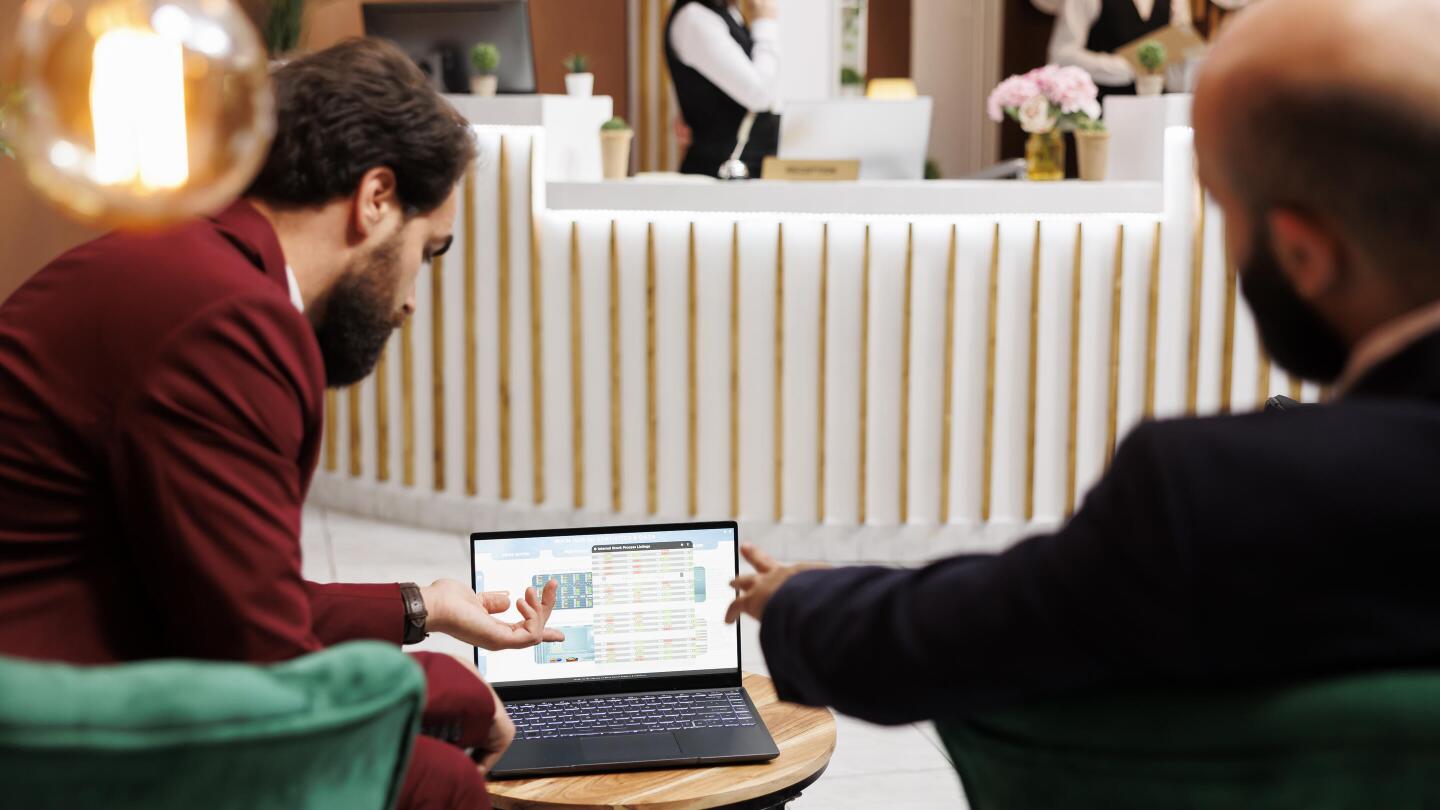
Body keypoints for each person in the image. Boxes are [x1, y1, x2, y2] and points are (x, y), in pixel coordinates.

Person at [729, 0, 1440, 726]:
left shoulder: (1220, 493)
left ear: (1303, 253)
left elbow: (956, 637)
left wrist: (798, 600)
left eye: (1228, 212)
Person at [0, 39, 561, 809]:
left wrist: (421, 606)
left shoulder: (180, 262)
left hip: (69, 674)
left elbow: (227, 592)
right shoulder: (234, 320)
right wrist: (447, 689)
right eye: (427, 253)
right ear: (375, 198)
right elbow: (261, 661)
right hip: (50, 732)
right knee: (444, 784)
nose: (411, 301)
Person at [665, 0, 781, 177]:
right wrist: (765, 23)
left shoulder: (727, 12)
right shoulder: (694, 17)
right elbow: (760, 94)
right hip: (721, 175)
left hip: (743, 172)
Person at [1048, 0, 1251, 96]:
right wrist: (1125, 67)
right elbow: (1061, 55)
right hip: (1099, 118)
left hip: (1156, 116)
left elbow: (1179, 59)